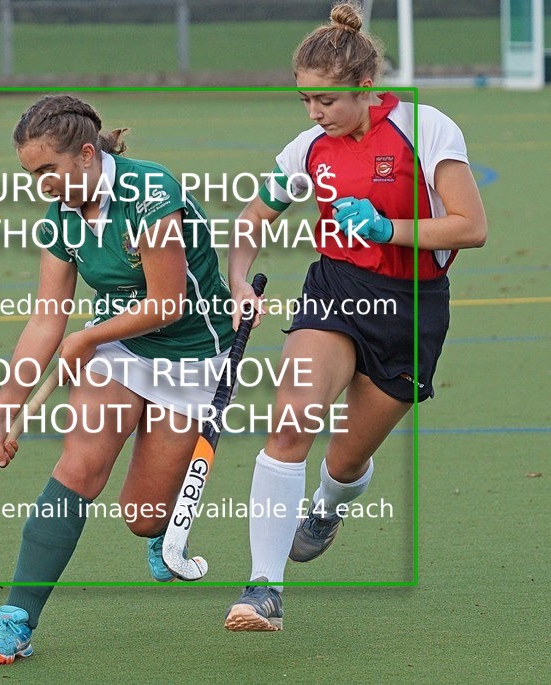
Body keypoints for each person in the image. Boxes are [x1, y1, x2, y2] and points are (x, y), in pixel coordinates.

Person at [223, 1, 487, 631]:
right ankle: (263, 589)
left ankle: (327, 505)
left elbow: (470, 227)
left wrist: (389, 227)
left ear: (366, 89)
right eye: (305, 102)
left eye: (327, 102)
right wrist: (239, 281)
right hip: (335, 288)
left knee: (344, 460)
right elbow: (253, 220)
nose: (315, 114)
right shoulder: (308, 148)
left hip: (412, 309)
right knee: (291, 424)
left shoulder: (427, 128)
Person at [0, 94, 237, 663]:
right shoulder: (61, 220)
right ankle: (15, 620)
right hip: (117, 344)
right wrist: (5, 409)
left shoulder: (151, 194)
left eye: (46, 170)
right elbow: (46, 321)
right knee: (78, 467)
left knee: (143, 518)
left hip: (190, 351)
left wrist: (86, 337)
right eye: (30, 174)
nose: (40, 184)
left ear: (86, 155)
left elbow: (167, 303)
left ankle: (163, 525)